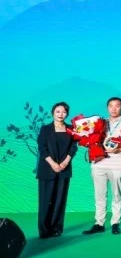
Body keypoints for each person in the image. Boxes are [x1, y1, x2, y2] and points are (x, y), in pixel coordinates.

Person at [83, 97, 121, 235]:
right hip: (99, 163)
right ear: (107, 108)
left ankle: (115, 223)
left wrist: (118, 149)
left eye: (117, 106)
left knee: (117, 194)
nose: (114, 108)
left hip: (117, 164)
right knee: (99, 195)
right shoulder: (101, 123)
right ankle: (99, 223)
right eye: (111, 106)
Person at [37, 102, 77, 239]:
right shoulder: (45, 129)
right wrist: (53, 164)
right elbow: (42, 148)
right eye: (58, 111)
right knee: (45, 200)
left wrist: (65, 162)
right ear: (52, 113)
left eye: (64, 112)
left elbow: (73, 148)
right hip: (47, 169)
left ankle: (56, 228)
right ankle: (44, 230)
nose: (61, 114)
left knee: (60, 200)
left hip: (64, 169)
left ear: (67, 114)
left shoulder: (71, 129)